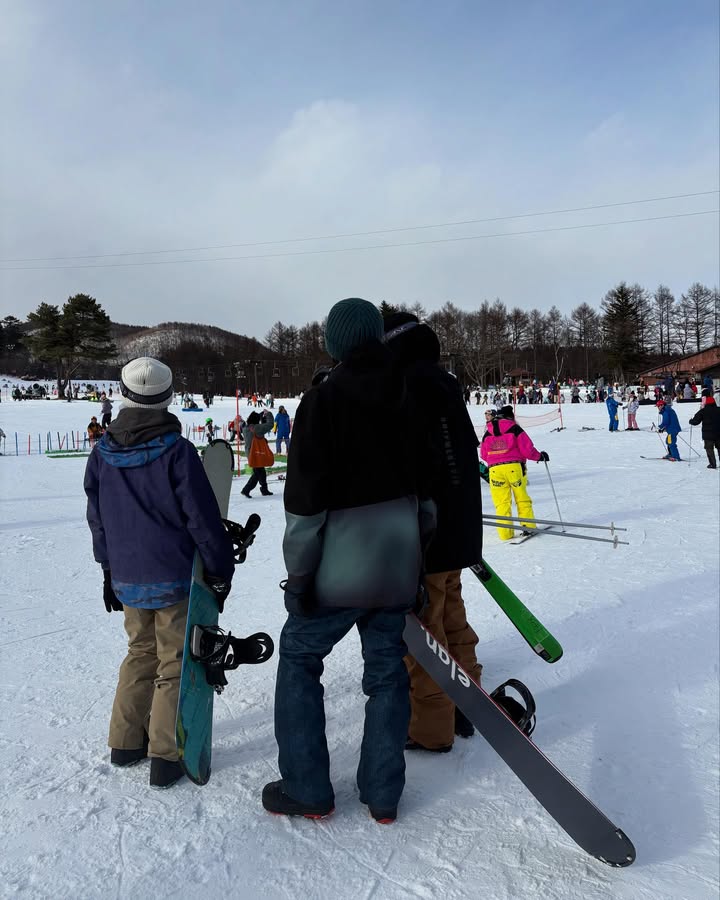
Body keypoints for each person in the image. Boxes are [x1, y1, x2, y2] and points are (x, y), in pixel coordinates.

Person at [262, 297, 431, 824]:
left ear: (336, 342)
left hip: (342, 562)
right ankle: (383, 793)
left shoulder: (323, 400)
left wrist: (300, 574)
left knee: (298, 657)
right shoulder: (408, 392)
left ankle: (307, 787)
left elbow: (305, 506)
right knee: (386, 673)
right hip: (399, 555)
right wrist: (417, 563)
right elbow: (426, 497)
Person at [83, 357, 234, 789]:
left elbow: (98, 519)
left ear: (124, 396)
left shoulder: (102, 454)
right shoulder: (178, 452)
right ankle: (166, 756)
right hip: (173, 576)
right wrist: (219, 568)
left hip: (128, 576)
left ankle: (125, 742)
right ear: (167, 399)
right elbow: (202, 520)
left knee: (139, 653)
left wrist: (108, 569)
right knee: (174, 663)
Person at [384, 312, 484, 753]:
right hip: (459, 529)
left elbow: (410, 468)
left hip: (427, 533)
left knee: (426, 633)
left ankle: (431, 726)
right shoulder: (445, 384)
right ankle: (470, 702)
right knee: (452, 617)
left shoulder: (406, 388)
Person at [480, 406, 548, 540]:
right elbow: (527, 449)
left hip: (494, 470)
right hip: (514, 468)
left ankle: (505, 534)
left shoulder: (488, 432)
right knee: (521, 498)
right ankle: (527, 527)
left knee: (501, 503)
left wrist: (495, 460)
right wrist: (540, 457)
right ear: (510, 416)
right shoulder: (514, 428)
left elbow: (483, 454)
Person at [241, 409, 274, 497]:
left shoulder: (246, 428)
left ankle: (264, 489)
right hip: (257, 453)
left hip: (251, 453)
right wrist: (268, 414)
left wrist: (260, 415)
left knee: (261, 471)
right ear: (256, 420)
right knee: (257, 473)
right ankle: (246, 489)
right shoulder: (257, 428)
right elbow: (270, 425)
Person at [689, 390, 720, 469]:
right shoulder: (718, 409)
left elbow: (695, 421)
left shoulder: (703, 411)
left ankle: (712, 464)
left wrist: (691, 421)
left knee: (709, 449)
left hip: (708, 435)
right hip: (718, 433)